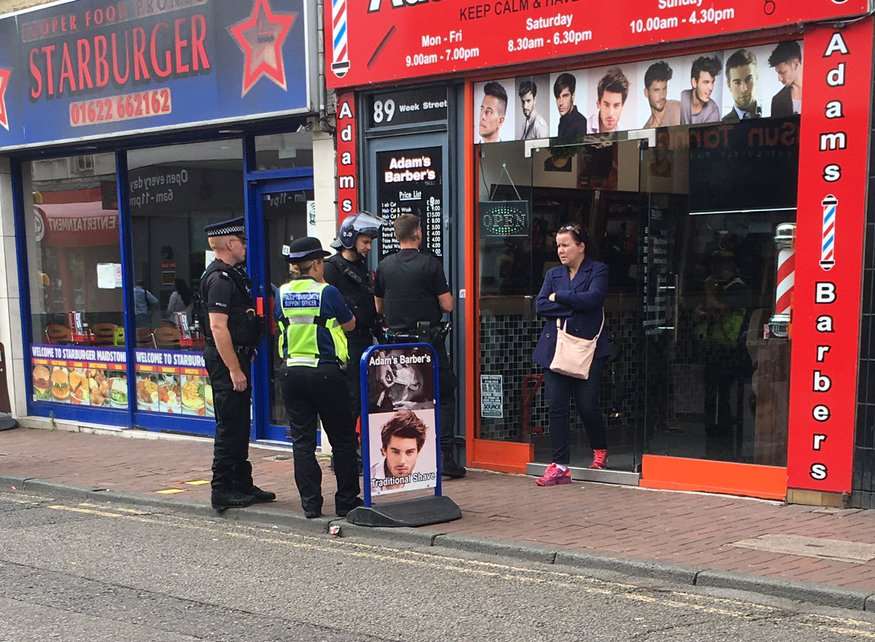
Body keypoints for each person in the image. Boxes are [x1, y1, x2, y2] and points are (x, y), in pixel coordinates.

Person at [374, 214, 466, 479]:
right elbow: (447, 305)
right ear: (418, 233)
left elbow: (378, 306)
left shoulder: (384, 265)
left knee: (402, 399)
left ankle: (411, 457)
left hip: (396, 346)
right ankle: (445, 457)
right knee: (444, 393)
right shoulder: (430, 264)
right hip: (427, 343)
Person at [277, 237, 362, 518]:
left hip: (291, 372)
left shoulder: (282, 293)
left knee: (302, 441)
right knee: (342, 439)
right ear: (315, 263)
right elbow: (350, 324)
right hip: (325, 372)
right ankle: (346, 502)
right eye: (321, 262)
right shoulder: (328, 292)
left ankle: (311, 505)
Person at [200, 217, 274, 512]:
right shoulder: (219, 279)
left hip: (238, 356)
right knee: (230, 424)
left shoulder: (232, 275)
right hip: (225, 363)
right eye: (241, 241)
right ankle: (222, 490)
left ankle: (242, 483)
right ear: (229, 243)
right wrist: (233, 368)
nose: (245, 246)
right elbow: (218, 328)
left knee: (241, 421)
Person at [532, 224, 610, 486]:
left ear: (581, 246)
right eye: (558, 245)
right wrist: (570, 306)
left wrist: (561, 297)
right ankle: (559, 466)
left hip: (588, 349)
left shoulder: (598, 269)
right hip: (556, 349)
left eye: (565, 244)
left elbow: (594, 300)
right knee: (556, 407)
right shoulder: (553, 273)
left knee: (587, 405)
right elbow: (541, 305)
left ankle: (600, 448)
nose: (561, 250)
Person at [325, 212, 386, 426]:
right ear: (350, 238)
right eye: (365, 241)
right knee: (349, 400)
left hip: (364, 341)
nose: (369, 247)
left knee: (364, 399)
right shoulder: (330, 268)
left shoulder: (361, 267)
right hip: (343, 344)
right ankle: (344, 454)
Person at [369, 410, 428, 492]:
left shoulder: (425, 481)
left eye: (409, 452)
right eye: (395, 452)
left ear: (418, 452)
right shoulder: (369, 479)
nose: (402, 461)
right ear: (384, 451)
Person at [680, 56, 722, 125]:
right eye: (706, 82)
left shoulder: (713, 110)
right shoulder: (681, 98)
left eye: (712, 82)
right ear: (694, 82)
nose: (711, 88)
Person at [723, 49, 761, 122]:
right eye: (737, 82)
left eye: (748, 79)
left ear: (756, 77)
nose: (744, 89)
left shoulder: (774, 113)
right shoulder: (722, 125)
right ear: (728, 84)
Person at [588, 67, 629, 133]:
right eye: (606, 105)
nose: (610, 113)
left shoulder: (625, 133)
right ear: (598, 104)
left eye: (616, 106)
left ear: (622, 106)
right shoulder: (584, 128)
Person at [768, 41, 802, 117]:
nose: (779, 79)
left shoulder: (820, 90)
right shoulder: (777, 100)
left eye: (782, 72)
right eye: (778, 73)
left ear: (796, 65)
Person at [643, 61, 681, 128]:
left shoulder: (678, 109)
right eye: (656, 90)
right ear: (646, 92)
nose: (662, 96)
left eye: (664, 89)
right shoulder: (646, 128)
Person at [553, 73, 587, 142]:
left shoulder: (581, 121)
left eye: (565, 96)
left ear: (573, 96)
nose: (560, 103)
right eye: (558, 97)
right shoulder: (562, 121)